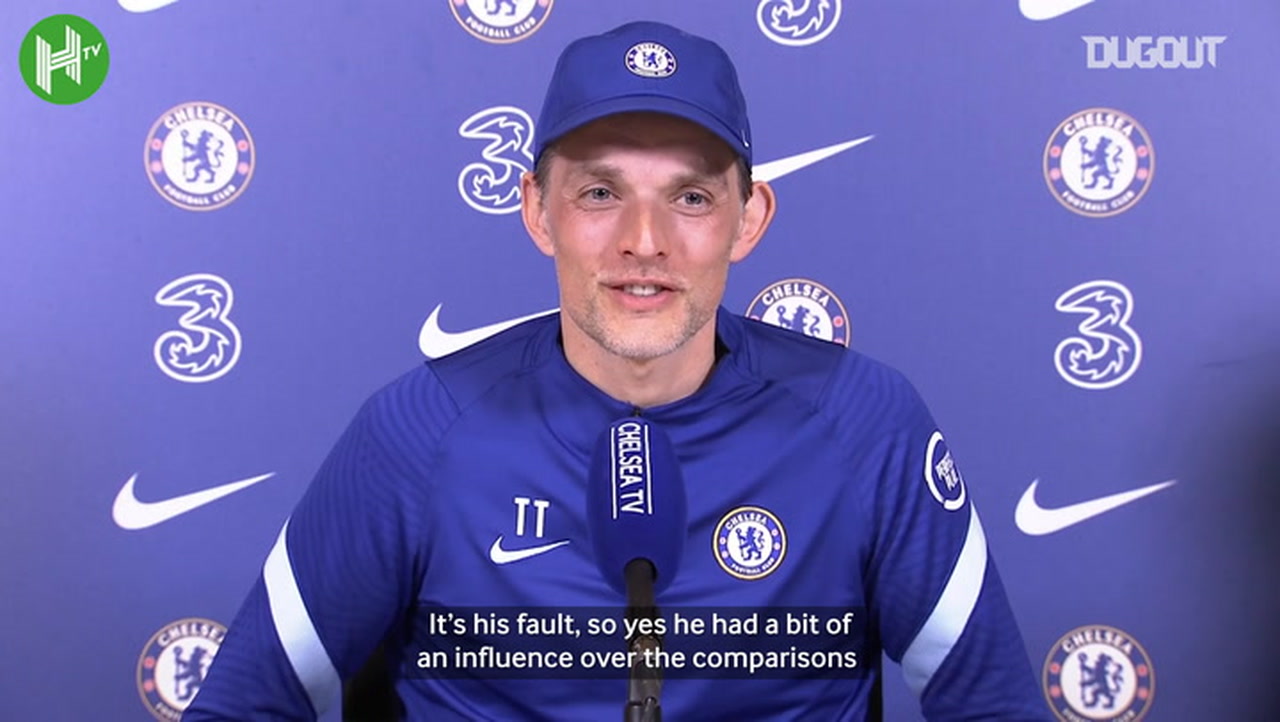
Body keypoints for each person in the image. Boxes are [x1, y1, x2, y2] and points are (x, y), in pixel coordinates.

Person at [184, 20, 1048, 721]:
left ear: (749, 219)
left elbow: (994, 706)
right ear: (537, 211)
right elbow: (244, 705)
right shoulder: (417, 432)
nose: (644, 241)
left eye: (691, 197)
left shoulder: (864, 421)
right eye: (600, 193)